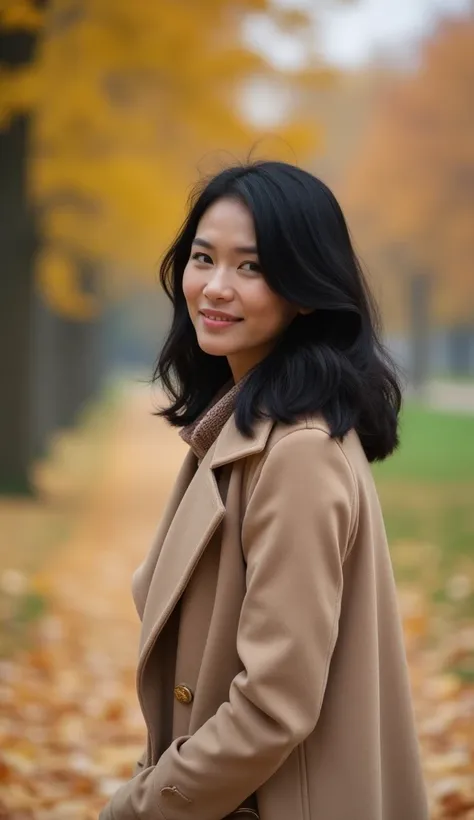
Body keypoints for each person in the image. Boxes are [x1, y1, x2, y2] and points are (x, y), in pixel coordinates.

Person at [99, 161, 429, 820]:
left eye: (251, 267)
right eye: (203, 258)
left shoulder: (297, 453)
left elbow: (274, 704)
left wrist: (140, 807)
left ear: (306, 290)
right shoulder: (242, 427)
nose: (216, 287)